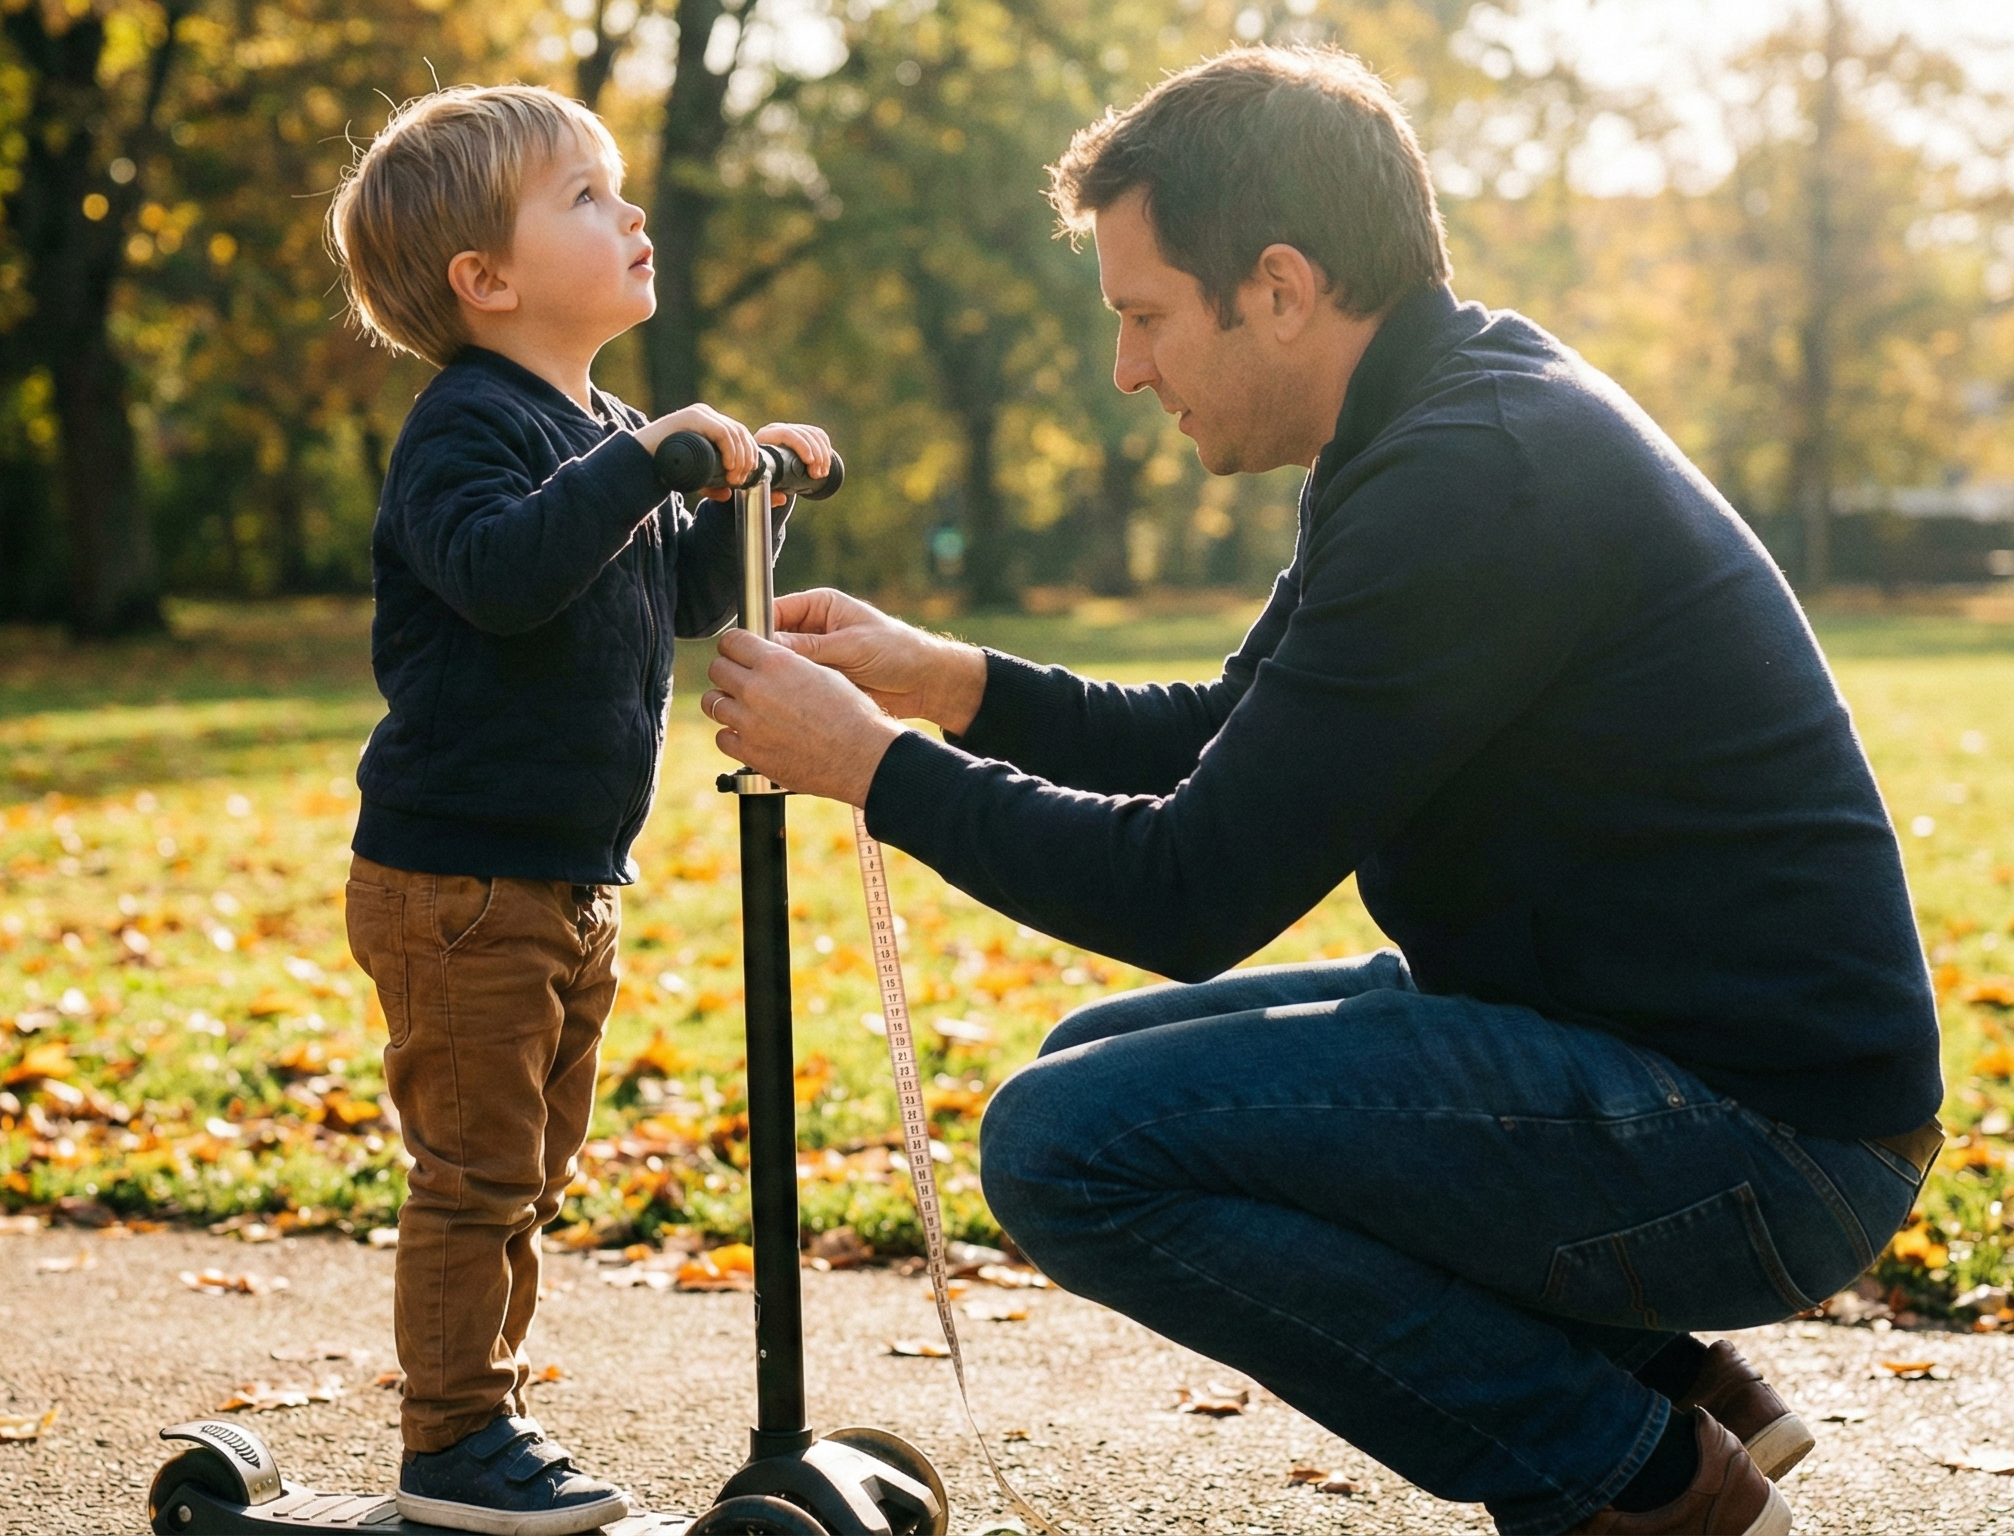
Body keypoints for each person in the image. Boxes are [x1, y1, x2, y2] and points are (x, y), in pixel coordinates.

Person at [697, 46, 1943, 1536]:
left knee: (1065, 1145)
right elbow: (1230, 733)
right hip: (1666, 1059)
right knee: (1097, 1061)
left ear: (1278, 287)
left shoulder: (1470, 475)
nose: (1129, 370)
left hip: (1760, 1140)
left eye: (1146, 316)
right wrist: (947, 680)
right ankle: (1667, 1384)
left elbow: (1187, 893)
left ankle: (1639, 1484)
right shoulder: (1440, 415)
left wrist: (872, 767)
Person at [326, 83, 835, 1536]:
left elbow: (675, 595)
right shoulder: (465, 428)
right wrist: (640, 461)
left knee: (531, 1171)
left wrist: (749, 498)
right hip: (459, 879)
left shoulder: (602, 423)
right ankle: (452, 1443)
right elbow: (503, 576)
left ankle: (482, 1421)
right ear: (484, 280)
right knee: (477, 1175)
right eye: (586, 198)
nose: (632, 214)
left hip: (562, 876)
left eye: (618, 189)